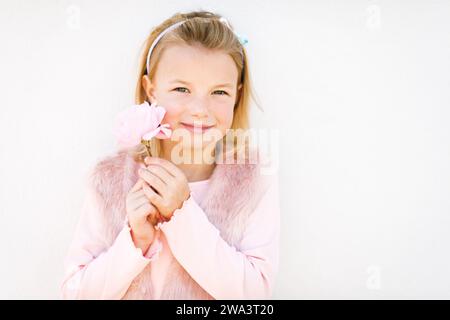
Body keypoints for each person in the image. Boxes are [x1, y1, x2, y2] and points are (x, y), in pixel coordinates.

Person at [61, 10, 280, 300]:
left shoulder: (252, 180)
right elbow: (74, 294)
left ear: (237, 96)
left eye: (219, 92)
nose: (200, 109)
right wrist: (136, 241)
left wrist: (182, 213)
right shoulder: (109, 179)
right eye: (181, 89)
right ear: (150, 90)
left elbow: (253, 297)